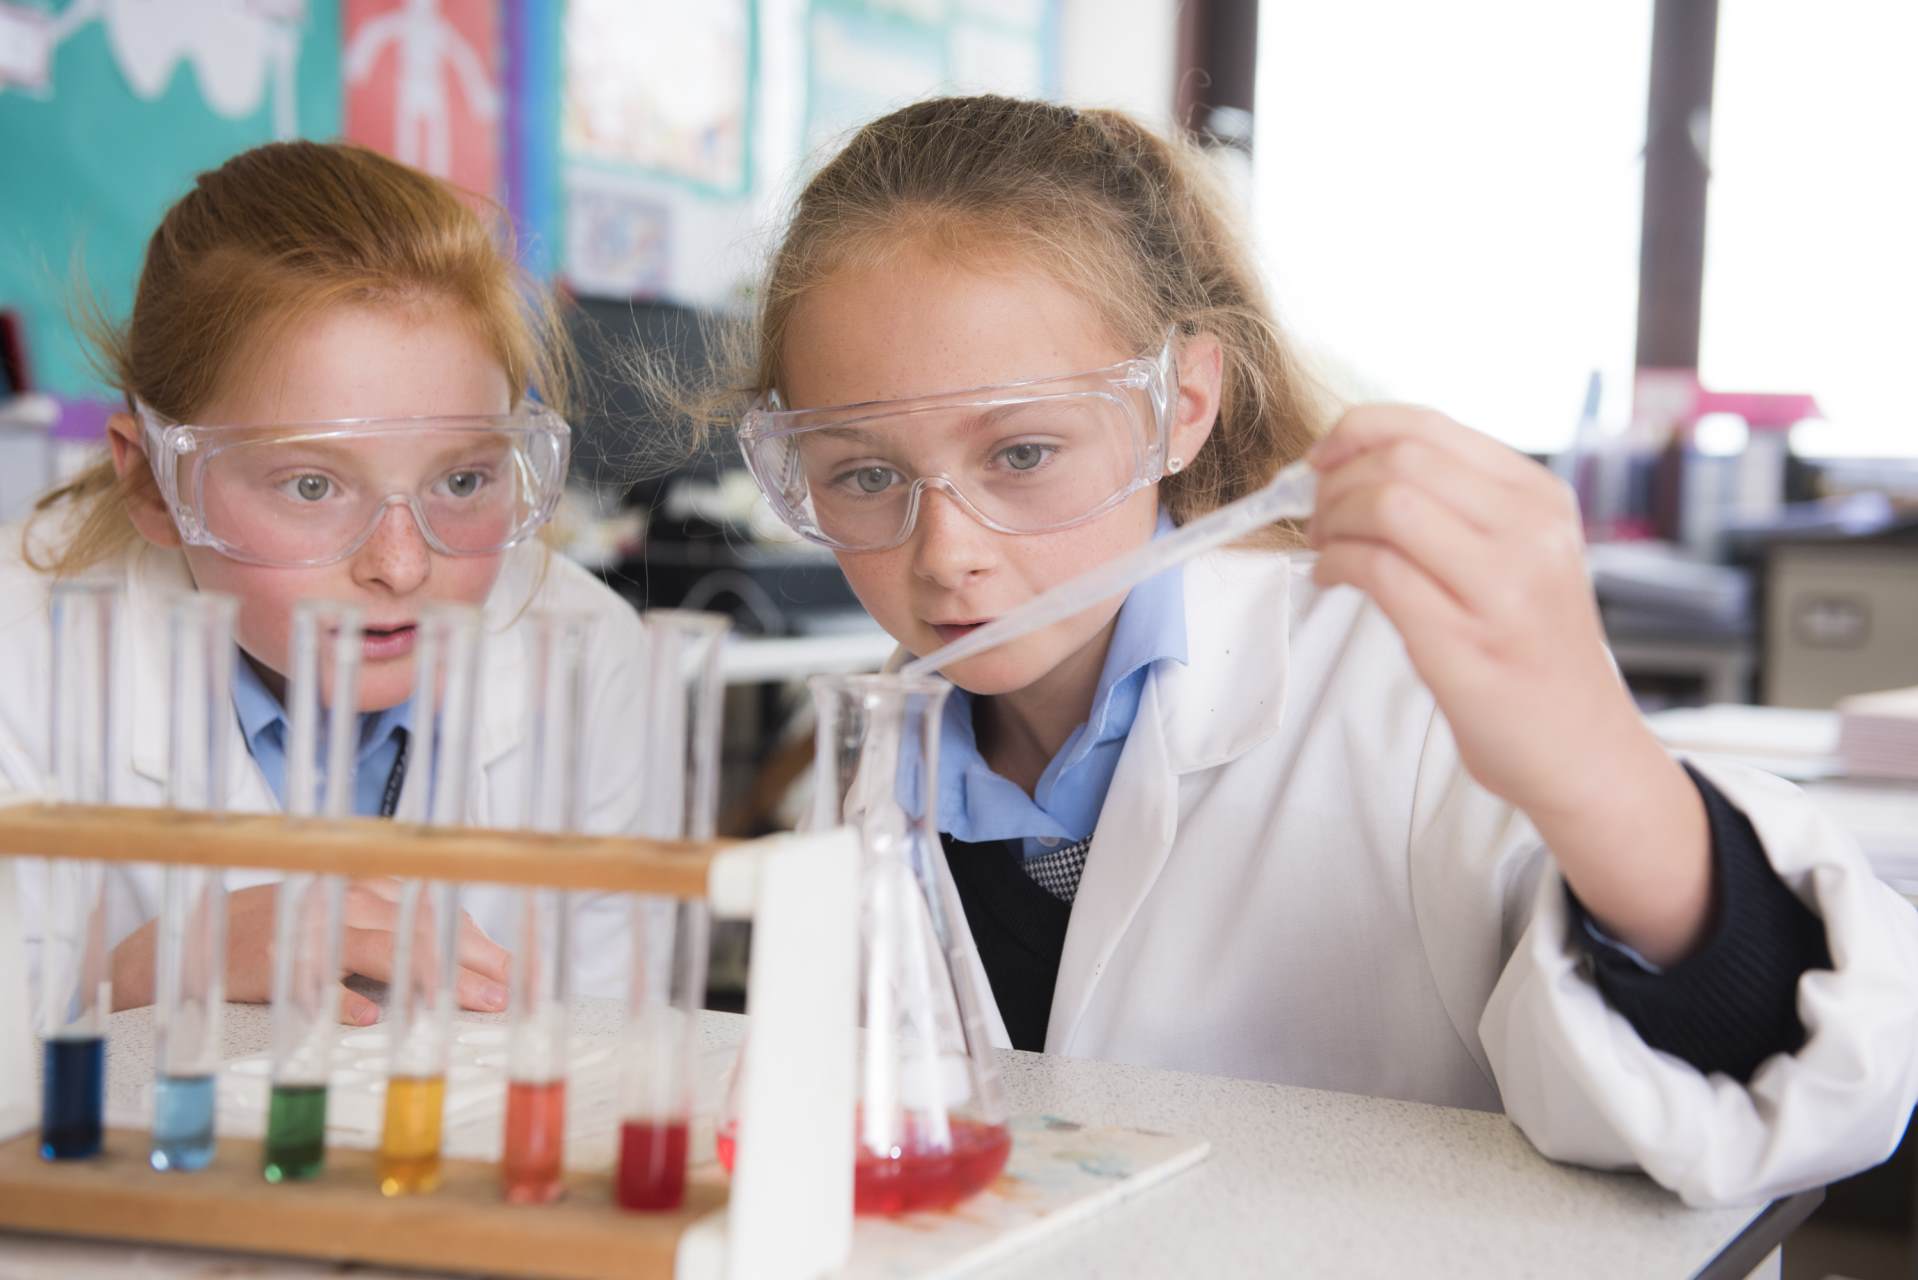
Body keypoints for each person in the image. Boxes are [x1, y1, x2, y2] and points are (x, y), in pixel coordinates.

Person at [695, 95, 1918, 1206]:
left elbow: (1817, 1067)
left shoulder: (1381, 675)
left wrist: (1591, 764)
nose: (947, 552)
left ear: (1178, 406)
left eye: (1022, 453)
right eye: (863, 474)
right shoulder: (882, 753)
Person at [1, 141, 643, 1022]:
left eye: (461, 480)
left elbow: (608, 1052)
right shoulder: (22, 649)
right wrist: (150, 972)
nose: (402, 564)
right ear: (154, 481)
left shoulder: (585, 650)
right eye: (311, 486)